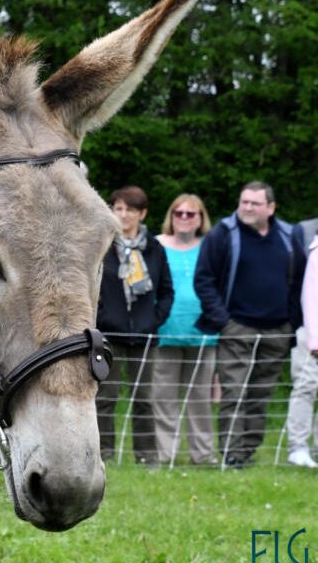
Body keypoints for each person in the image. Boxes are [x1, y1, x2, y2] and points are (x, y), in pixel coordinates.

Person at [194, 180, 297, 469]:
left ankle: (249, 450)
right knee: (234, 391)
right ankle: (231, 454)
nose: (247, 208)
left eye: (255, 203)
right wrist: (223, 321)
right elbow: (204, 279)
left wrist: (292, 323)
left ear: (271, 207)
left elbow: (300, 281)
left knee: (260, 394)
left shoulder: (289, 236)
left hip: (277, 329)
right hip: (237, 327)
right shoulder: (224, 234)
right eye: (244, 202)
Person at [96, 186, 174, 465]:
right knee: (105, 397)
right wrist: (102, 318)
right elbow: (90, 288)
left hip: (143, 335)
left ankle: (145, 456)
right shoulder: (102, 245)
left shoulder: (154, 249)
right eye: (118, 208)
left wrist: (153, 321)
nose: (123, 214)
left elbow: (166, 291)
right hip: (109, 334)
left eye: (129, 209)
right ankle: (104, 454)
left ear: (142, 214)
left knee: (143, 398)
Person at [150, 195, 217, 466]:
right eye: (179, 213)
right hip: (165, 333)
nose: (185, 218)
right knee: (163, 399)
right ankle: (166, 455)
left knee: (200, 399)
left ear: (201, 218)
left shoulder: (211, 247)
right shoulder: (156, 245)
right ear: (171, 216)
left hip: (203, 334)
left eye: (192, 214)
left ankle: (203, 455)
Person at [286, 217, 318, 468]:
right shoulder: (311, 239)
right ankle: (297, 447)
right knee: (305, 385)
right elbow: (306, 293)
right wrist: (312, 336)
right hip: (310, 330)